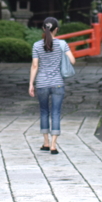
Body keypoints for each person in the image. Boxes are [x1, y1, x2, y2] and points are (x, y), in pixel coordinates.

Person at [29, 17, 76, 154]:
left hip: (42, 83)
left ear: (43, 29)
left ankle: (45, 143)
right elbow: (72, 61)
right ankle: (54, 145)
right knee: (56, 113)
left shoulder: (37, 45)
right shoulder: (62, 44)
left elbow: (35, 65)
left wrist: (31, 84)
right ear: (57, 29)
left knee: (44, 112)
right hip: (57, 84)